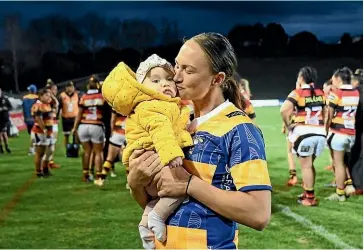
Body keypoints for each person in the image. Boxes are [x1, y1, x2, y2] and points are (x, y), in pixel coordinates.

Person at [104, 33, 271, 249]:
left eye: (188, 70)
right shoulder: (178, 123)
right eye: (177, 66)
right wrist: (136, 183)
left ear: (217, 79)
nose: (176, 77)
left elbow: (259, 214)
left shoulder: (239, 129)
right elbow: (154, 201)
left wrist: (191, 185)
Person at [101, 54, 194, 248]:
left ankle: (146, 225)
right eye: (156, 80)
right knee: (179, 187)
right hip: (157, 160)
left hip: (147, 166)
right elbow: (161, 130)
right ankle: (158, 217)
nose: (165, 84)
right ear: (142, 87)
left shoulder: (159, 104)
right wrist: (172, 154)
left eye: (169, 79)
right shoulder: (153, 105)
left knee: (156, 198)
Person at [280, 66, 326, 206]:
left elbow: (284, 110)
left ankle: (310, 198)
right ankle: (307, 192)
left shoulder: (297, 93)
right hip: (320, 133)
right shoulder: (321, 92)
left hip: (304, 133)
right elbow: (326, 112)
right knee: (310, 165)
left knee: (305, 167)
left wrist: (288, 126)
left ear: (301, 78)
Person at [325, 67, 359, 201]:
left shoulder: (337, 93)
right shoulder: (356, 92)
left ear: (338, 79)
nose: (332, 81)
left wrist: (325, 129)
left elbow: (329, 115)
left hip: (338, 132)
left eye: (333, 79)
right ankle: (348, 185)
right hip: (351, 133)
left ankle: (340, 193)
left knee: (337, 163)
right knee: (344, 161)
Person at [72, 75, 106, 182]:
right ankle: (99, 176)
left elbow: (79, 114)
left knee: (87, 151)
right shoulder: (102, 97)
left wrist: (74, 127)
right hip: (96, 125)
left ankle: (86, 175)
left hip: (83, 125)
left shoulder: (83, 97)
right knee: (98, 152)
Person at [94, 110, 126, 184]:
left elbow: (112, 120)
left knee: (110, 158)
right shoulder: (135, 103)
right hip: (129, 133)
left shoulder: (117, 104)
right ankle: (129, 183)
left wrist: (112, 132)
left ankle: (101, 179)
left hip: (117, 132)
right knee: (128, 160)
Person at [30, 89, 53, 177]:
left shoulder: (46, 104)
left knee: (49, 151)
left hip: (47, 131)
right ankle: (39, 172)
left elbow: (55, 103)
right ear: (41, 96)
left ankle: (45, 168)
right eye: (47, 95)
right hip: (39, 131)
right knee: (40, 153)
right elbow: (38, 118)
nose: (49, 97)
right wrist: (44, 129)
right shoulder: (38, 105)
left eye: (49, 95)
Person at [59, 81, 80, 150]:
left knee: (76, 134)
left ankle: (76, 148)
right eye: (68, 87)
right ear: (66, 88)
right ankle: (67, 149)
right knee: (66, 135)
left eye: (71, 87)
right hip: (66, 118)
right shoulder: (62, 96)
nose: (69, 88)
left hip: (75, 118)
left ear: (73, 87)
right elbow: (59, 107)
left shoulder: (77, 95)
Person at [45, 81, 60, 169]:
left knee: (53, 143)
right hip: (49, 124)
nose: (56, 91)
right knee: (49, 144)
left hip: (53, 122)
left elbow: (56, 109)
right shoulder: (48, 99)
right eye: (54, 89)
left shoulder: (53, 99)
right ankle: (46, 162)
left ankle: (50, 161)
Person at [22, 84, 39, 155]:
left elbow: (23, 108)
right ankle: (32, 149)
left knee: (32, 133)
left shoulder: (24, 98)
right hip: (34, 118)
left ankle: (34, 148)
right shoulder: (37, 98)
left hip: (27, 119)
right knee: (35, 134)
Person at [0, 88, 12, 154]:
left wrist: (5, 108)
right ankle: (1, 147)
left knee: (4, 133)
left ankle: (6, 146)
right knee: (1, 133)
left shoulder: (5, 98)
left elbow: (10, 107)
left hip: (4, 118)